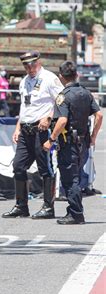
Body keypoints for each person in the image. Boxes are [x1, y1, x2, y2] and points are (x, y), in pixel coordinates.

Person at [2, 51, 64, 219]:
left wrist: (49, 117)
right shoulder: (24, 82)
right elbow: (24, 108)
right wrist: (17, 128)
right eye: (26, 65)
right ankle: (21, 205)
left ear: (38, 61)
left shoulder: (50, 79)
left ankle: (48, 207)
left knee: (46, 169)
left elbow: (62, 101)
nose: (29, 68)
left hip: (42, 130)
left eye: (32, 64)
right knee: (18, 166)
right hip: (25, 130)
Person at [42, 61, 103, 224]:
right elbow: (99, 116)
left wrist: (51, 140)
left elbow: (62, 120)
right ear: (76, 75)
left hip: (68, 143)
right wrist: (93, 137)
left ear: (61, 77)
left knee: (70, 179)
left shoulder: (64, 96)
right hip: (83, 142)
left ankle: (76, 214)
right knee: (74, 177)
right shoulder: (86, 93)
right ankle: (74, 211)